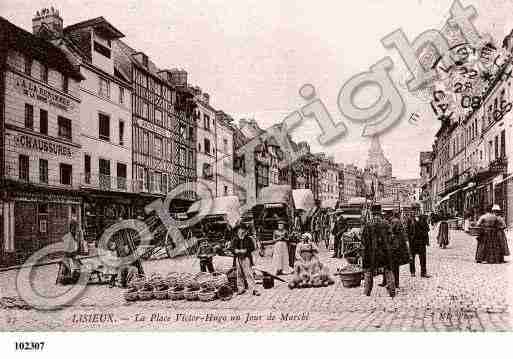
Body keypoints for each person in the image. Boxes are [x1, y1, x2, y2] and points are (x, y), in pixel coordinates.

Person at [361, 205, 396, 297]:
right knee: (388, 270)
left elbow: (363, 240)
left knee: (368, 272)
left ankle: (367, 291)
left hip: (371, 253)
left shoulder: (368, 224)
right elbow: (392, 237)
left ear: (372, 213)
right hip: (384, 252)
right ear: (380, 213)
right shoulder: (386, 223)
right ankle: (392, 291)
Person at [379, 211, 410, 289]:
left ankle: (395, 283)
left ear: (389, 214)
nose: (384, 217)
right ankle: (386, 281)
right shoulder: (391, 221)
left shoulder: (395, 221)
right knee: (388, 265)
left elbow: (391, 233)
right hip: (392, 247)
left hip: (395, 248)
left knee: (394, 266)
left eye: (385, 215)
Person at [231, 223, 260, 296]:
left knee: (248, 273)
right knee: (239, 274)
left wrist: (245, 250)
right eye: (240, 230)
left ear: (245, 231)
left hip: (246, 257)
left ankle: (254, 289)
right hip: (238, 258)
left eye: (243, 230)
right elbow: (232, 248)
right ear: (238, 231)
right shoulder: (235, 239)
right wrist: (236, 250)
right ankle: (241, 289)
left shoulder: (248, 239)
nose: (241, 231)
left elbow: (252, 247)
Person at [408, 213, 431, 278]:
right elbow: (427, 230)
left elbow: (408, 231)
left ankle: (413, 272)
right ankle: (422, 272)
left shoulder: (411, 220)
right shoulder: (421, 220)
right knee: (421, 258)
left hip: (415, 243)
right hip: (419, 243)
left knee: (413, 258)